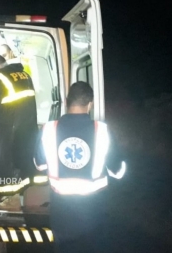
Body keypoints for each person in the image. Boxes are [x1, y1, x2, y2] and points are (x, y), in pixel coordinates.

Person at [34, 81, 126, 253]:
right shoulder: (103, 131)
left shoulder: (48, 130)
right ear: (90, 104)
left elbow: (39, 164)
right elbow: (118, 172)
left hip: (62, 212)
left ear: (67, 101)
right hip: (93, 212)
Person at [0, 54, 38, 208]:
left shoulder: (0, 79)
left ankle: (8, 201)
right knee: (25, 166)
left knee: (6, 165)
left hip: (9, 132)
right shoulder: (25, 75)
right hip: (28, 130)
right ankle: (23, 198)